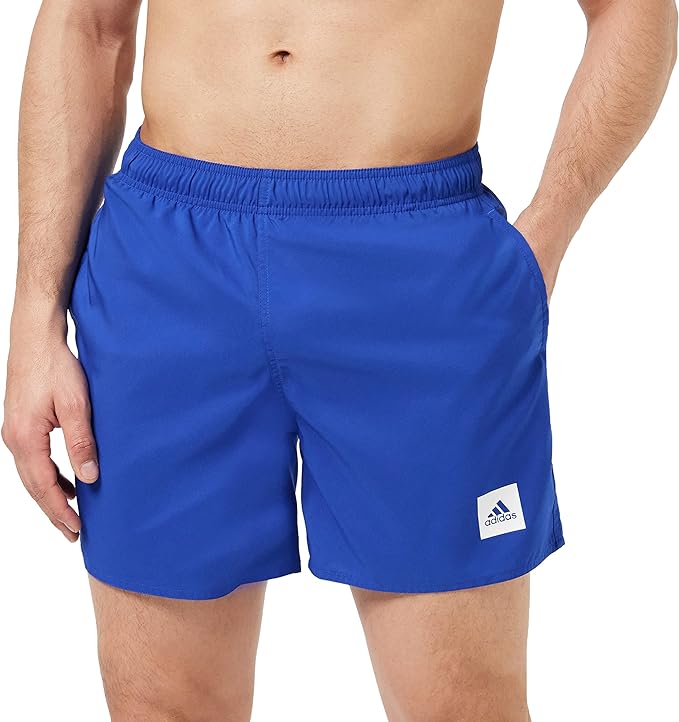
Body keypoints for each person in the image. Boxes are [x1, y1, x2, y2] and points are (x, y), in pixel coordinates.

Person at [3, 1, 676, 720]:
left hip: (417, 269)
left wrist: (545, 232)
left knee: (460, 706)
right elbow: (86, 23)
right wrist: (34, 315)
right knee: (161, 707)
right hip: (168, 262)